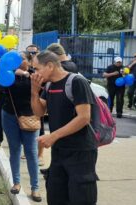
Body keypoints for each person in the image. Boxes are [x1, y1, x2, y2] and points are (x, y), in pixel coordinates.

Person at [31, 51, 98, 205]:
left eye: (37, 69)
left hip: (81, 152)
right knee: (55, 195)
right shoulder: (49, 85)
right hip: (59, 151)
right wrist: (34, 92)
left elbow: (84, 117)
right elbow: (39, 112)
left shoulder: (77, 82)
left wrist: (53, 136)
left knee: (81, 197)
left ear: (49, 66)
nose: (35, 73)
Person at [1, 52, 41, 202]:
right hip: (9, 115)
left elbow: (40, 91)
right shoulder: (7, 74)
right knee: (14, 149)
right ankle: (16, 183)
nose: (18, 61)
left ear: (29, 61)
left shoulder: (35, 74)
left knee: (31, 152)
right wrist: (12, 72)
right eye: (15, 59)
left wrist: (26, 74)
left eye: (22, 59)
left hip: (30, 116)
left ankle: (35, 187)